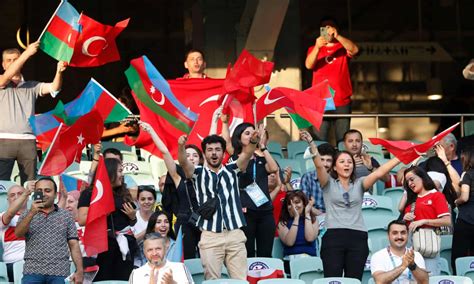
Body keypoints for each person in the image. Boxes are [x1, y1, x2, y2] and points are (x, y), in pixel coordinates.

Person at [300, 130, 400, 280]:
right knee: (332, 280)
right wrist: (311, 143)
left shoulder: (360, 184)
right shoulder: (328, 183)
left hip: (358, 237)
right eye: (342, 162)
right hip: (333, 237)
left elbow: (379, 173)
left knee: (353, 280)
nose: (346, 164)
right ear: (334, 167)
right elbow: (320, 166)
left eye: (349, 162)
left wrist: (403, 156)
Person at [178, 133, 259, 280]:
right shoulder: (197, 172)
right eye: (209, 150)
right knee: (212, 281)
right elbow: (183, 162)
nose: (214, 153)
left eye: (217, 149)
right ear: (204, 153)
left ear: (223, 153)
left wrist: (253, 142)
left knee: (240, 280)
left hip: (235, 234)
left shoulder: (233, 169)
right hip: (210, 236)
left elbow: (247, 154)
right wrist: (181, 146)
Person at [0, 42, 67, 184]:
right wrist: (27, 53)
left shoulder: (32, 85)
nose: (13, 63)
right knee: (2, 185)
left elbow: (54, 88)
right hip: (3, 140)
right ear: (3, 65)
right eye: (9, 60)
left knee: (30, 184)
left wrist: (59, 71)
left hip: (28, 141)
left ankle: (30, 207)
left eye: (16, 60)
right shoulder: (1, 81)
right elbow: (6, 77)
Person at [140, 121, 203, 259]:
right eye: (187, 155)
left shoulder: (208, 176)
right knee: (186, 259)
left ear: (201, 159)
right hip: (185, 222)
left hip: (205, 221)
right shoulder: (177, 176)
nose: (191, 158)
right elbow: (165, 152)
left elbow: (213, 145)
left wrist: (216, 121)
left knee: (207, 260)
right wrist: (151, 130)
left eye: (195, 155)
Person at [78, 158, 138, 281]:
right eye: (120, 171)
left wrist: (133, 217)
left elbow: (130, 221)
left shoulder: (123, 193)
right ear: (110, 172)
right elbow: (82, 220)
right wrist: (102, 207)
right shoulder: (89, 193)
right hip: (100, 247)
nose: (122, 175)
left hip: (123, 248)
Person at [14, 177, 83, 284]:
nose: (44, 194)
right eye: (39, 191)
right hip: (33, 272)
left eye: (47, 190)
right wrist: (32, 213)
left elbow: (74, 245)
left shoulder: (66, 216)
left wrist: (79, 271)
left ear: (55, 194)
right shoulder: (26, 213)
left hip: (59, 272)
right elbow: (18, 234)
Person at [226, 122, 279, 258]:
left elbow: (273, 168)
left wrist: (263, 147)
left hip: (265, 212)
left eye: (253, 133)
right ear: (239, 138)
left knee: (265, 254)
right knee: (247, 253)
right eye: (247, 133)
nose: (251, 136)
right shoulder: (235, 159)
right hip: (246, 212)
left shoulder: (261, 158)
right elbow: (242, 168)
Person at [304, 17, 359, 143]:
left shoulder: (342, 47)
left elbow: (355, 50)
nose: (328, 30)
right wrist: (318, 47)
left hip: (341, 100)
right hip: (320, 101)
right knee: (319, 142)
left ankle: (343, 162)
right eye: (324, 27)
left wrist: (338, 36)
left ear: (336, 29)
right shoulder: (313, 49)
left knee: (343, 141)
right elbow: (308, 65)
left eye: (331, 27)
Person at [401, 166, 451, 276]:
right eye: (407, 181)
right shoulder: (412, 199)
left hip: (428, 242)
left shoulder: (436, 195)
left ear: (422, 177)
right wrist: (406, 218)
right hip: (411, 243)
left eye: (412, 179)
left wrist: (423, 221)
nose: (409, 183)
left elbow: (447, 221)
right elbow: (400, 209)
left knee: (430, 277)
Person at [370, 220, 429, 284]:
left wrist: (413, 266)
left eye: (403, 233)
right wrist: (402, 266)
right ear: (388, 235)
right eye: (395, 233)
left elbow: (425, 281)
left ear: (407, 234)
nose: (399, 237)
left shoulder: (416, 255)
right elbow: (380, 281)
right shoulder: (378, 256)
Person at [278, 191, 319, 272]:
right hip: (290, 261)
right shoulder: (282, 223)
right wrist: (296, 218)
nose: (294, 206)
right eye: (290, 204)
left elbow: (310, 238)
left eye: (297, 202)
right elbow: (290, 242)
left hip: (310, 260)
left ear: (304, 204)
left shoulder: (313, 219)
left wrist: (307, 214)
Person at [0, 184, 32, 282]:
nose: (17, 197)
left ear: (27, 198)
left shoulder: (36, 216)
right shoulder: (2, 216)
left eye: (20, 194)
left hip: (35, 263)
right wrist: (25, 193)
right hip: (13, 263)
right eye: (12, 195)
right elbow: (9, 214)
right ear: (8, 200)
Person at [451, 147, 474, 274]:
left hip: (466, 220)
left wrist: (456, 201)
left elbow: (464, 197)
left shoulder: (467, 174)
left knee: (458, 256)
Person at [301, 142, 336, 215]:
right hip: (312, 219)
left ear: (333, 162)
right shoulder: (307, 178)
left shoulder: (338, 178)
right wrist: (322, 216)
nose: (324, 164)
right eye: (321, 160)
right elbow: (304, 204)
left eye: (328, 160)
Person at [132, 186, 157, 266]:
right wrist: (147, 230)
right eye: (143, 199)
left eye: (150, 199)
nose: (146, 202)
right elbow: (130, 242)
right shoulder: (132, 217)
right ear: (137, 201)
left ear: (154, 201)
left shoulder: (159, 218)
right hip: (136, 264)